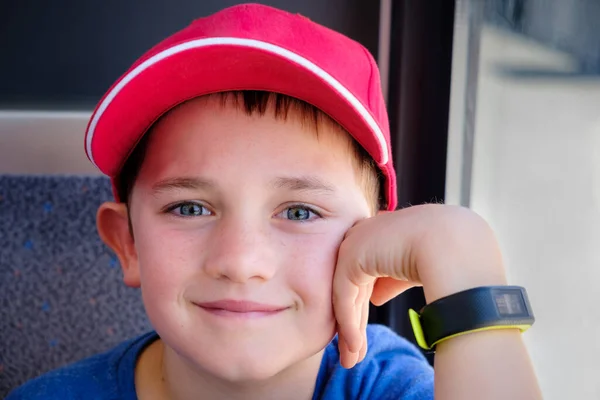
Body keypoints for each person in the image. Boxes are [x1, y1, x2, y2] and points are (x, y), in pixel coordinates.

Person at [6, 3, 542, 399]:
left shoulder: (390, 388)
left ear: (372, 251)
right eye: (190, 208)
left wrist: (465, 254)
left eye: (300, 212)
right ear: (128, 244)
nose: (240, 261)